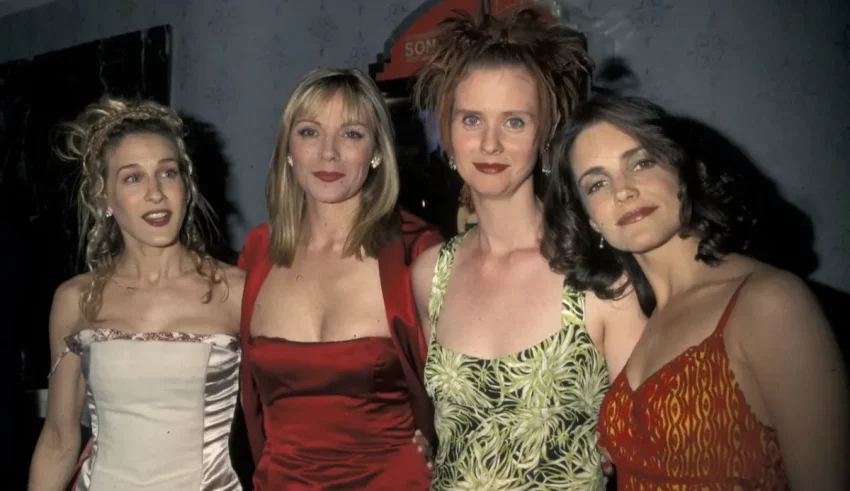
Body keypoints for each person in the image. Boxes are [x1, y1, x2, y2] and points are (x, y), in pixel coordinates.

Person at [542, 93, 850, 490]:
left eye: (641, 162)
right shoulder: (642, 317)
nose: (623, 191)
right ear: (592, 220)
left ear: (681, 170)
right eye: (597, 183)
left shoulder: (769, 302)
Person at [410, 8, 645, 490]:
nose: (489, 143)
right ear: (448, 133)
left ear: (545, 134)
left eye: (514, 122)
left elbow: (651, 452)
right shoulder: (430, 274)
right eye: (471, 119)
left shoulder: (600, 276)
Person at [238, 68, 441, 490]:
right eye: (310, 132)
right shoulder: (256, 253)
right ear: (289, 149)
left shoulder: (416, 251)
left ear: (377, 152)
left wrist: (441, 443)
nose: (328, 153)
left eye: (351, 134)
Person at [28, 97, 245, 491]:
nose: (156, 193)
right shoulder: (75, 298)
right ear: (103, 198)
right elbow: (59, 441)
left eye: (168, 173)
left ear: (186, 187)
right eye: (133, 178)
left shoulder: (238, 291)